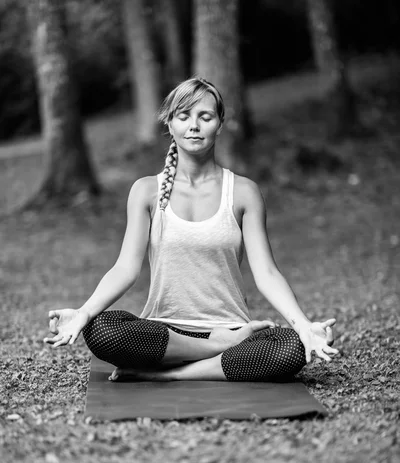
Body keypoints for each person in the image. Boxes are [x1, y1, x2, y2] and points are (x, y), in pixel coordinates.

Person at [44, 77, 338, 382]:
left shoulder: (243, 192)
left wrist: (303, 325)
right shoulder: (145, 191)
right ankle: (213, 352)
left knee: (289, 346)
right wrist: (84, 311)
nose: (193, 126)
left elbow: (267, 273)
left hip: (231, 330)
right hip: (163, 334)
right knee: (101, 328)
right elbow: (125, 268)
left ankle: (169, 374)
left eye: (205, 117)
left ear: (219, 125)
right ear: (170, 124)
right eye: (183, 117)